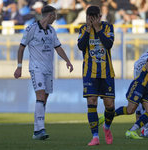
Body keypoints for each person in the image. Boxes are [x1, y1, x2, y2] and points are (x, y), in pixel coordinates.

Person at [14, 5, 73, 140]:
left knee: (44, 99)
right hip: (36, 68)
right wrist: (19, 66)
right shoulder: (31, 29)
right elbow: (21, 48)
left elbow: (58, 48)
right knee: (40, 95)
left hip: (48, 69)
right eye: (55, 15)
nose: (56, 18)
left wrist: (67, 61)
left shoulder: (52, 31)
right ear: (50, 15)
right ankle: (41, 129)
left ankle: (36, 131)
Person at [77, 5, 115, 146]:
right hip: (89, 72)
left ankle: (107, 127)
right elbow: (81, 46)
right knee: (91, 102)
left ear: (100, 16)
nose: (92, 20)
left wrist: (98, 29)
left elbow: (108, 44)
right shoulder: (83, 29)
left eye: (95, 17)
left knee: (109, 106)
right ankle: (95, 137)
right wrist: (88, 29)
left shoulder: (108, 27)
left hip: (106, 73)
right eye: (89, 17)